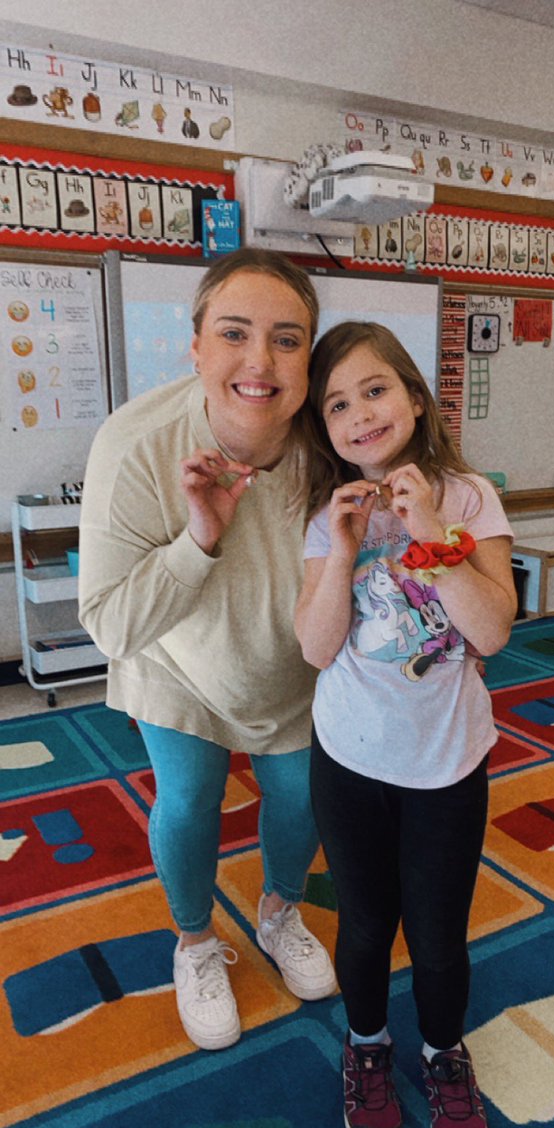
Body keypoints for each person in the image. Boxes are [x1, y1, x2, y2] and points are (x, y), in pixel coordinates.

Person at [79, 248, 336, 1052]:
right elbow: (113, 624)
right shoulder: (134, 443)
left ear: (308, 356)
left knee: (300, 800)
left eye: (287, 339)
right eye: (234, 333)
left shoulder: (329, 439)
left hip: (288, 665)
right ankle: (194, 943)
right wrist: (200, 537)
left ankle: (278, 911)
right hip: (176, 663)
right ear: (195, 346)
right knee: (188, 801)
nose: (260, 361)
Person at [294, 321, 516, 1128]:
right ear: (324, 429)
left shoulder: (465, 499)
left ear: (415, 399)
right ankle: (366, 1045)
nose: (358, 414)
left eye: (374, 389)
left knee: (437, 934)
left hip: (446, 761)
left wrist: (426, 527)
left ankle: (441, 1054)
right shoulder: (330, 516)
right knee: (362, 925)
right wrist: (344, 546)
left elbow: (491, 631)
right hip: (349, 756)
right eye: (336, 404)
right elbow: (316, 649)